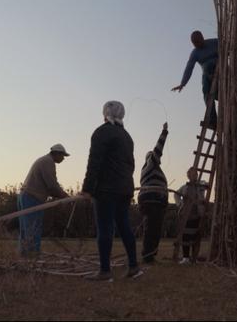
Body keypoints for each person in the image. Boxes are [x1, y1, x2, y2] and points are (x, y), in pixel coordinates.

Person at [81, 101, 143, 281]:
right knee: (124, 226)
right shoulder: (126, 136)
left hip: (106, 190)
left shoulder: (102, 133)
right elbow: (131, 164)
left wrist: (87, 189)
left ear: (105, 114)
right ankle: (133, 267)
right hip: (125, 189)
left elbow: (94, 162)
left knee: (105, 227)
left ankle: (105, 271)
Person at [18, 143, 70, 257]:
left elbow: (50, 187)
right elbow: (52, 185)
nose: (63, 159)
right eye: (62, 156)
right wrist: (65, 196)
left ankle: (25, 255)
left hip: (25, 195)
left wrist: (61, 195)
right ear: (56, 153)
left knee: (25, 229)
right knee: (33, 228)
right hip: (32, 197)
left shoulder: (43, 160)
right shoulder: (48, 162)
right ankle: (33, 255)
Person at [171, 30, 219, 128]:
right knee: (206, 91)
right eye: (194, 43)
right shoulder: (195, 53)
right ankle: (213, 119)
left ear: (202, 38)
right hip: (208, 76)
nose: (196, 45)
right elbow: (189, 67)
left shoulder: (214, 42)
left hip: (221, 71)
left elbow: (229, 44)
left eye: (197, 42)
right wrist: (183, 83)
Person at [137, 122, 170, 264]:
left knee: (154, 228)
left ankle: (150, 254)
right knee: (152, 228)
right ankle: (148, 256)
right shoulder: (150, 163)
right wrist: (164, 132)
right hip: (152, 201)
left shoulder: (151, 168)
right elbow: (158, 150)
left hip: (155, 201)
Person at [174, 167, 208, 264]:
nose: (193, 176)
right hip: (186, 215)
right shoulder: (185, 187)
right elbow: (176, 194)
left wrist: (202, 184)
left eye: (195, 174)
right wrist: (180, 204)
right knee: (185, 236)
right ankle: (186, 257)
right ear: (188, 176)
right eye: (191, 174)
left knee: (195, 236)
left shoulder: (200, 185)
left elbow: (206, 184)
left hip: (197, 215)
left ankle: (194, 257)